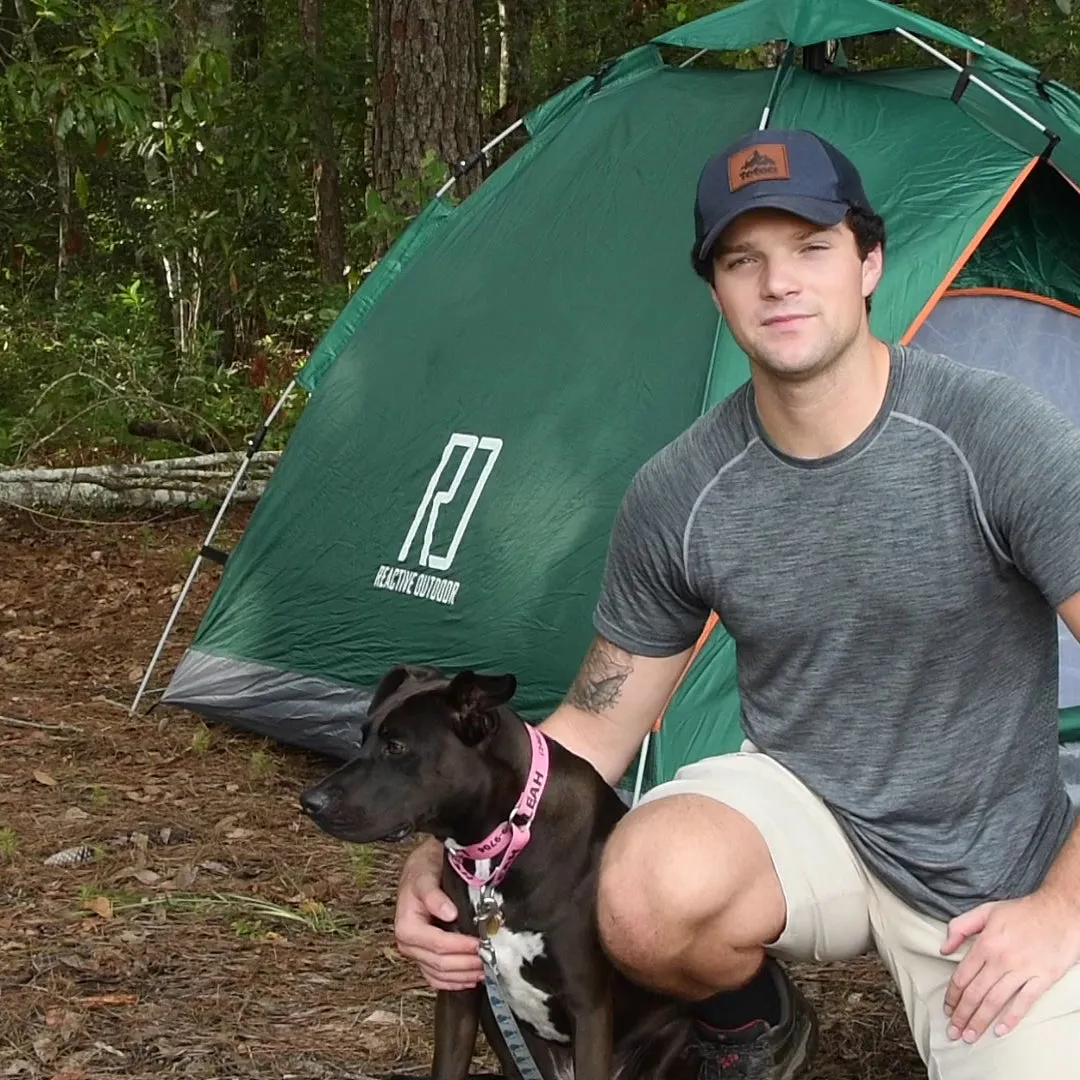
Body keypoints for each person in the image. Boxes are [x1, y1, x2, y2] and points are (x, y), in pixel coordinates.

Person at [393, 128, 1080, 1079]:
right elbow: (592, 731)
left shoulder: (998, 438)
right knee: (639, 888)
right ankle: (752, 1015)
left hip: (991, 857)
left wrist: (1062, 909)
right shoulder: (683, 490)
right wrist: (459, 844)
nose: (778, 283)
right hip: (802, 808)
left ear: (871, 260)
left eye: (810, 248)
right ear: (714, 287)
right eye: (742, 259)